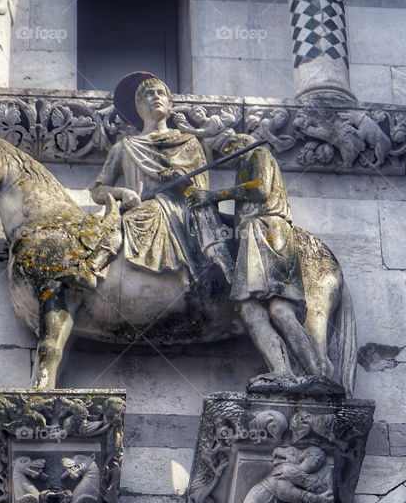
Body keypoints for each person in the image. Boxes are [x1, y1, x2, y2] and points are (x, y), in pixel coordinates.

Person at [188, 132, 322, 377]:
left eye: (230, 146)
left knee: (280, 311)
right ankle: (282, 371)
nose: (228, 154)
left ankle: (318, 373)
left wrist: (213, 195)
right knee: (251, 311)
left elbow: (259, 189)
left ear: (243, 143)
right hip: (250, 236)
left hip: (268, 232)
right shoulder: (242, 168)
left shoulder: (259, 154)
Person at [90, 72, 233, 282]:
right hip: (142, 209)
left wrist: (182, 180)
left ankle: (224, 266)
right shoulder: (124, 147)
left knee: (204, 214)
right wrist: (122, 192)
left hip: (184, 210)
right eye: (149, 94)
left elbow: (202, 190)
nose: (156, 97)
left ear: (169, 104)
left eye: (161, 93)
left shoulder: (190, 142)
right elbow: (97, 190)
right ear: (139, 108)